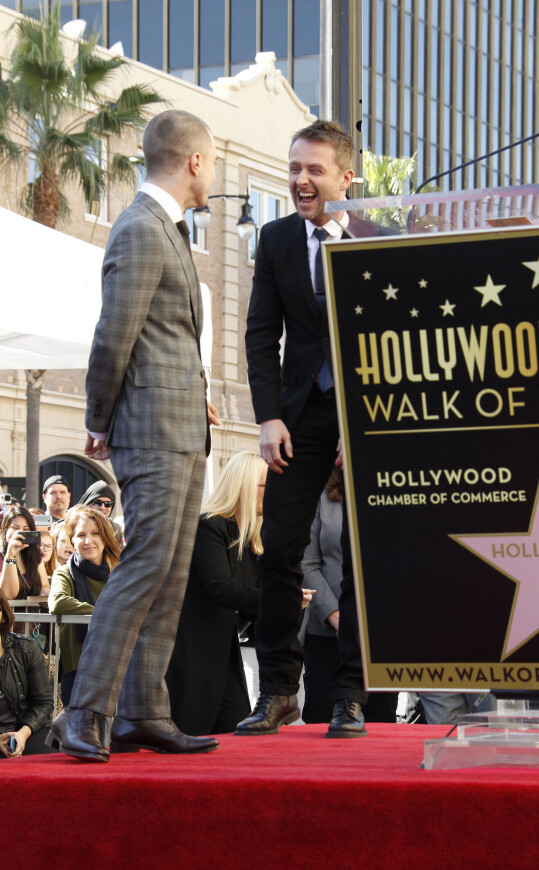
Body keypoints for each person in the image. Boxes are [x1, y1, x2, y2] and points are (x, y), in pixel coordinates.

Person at [47, 109, 221, 762]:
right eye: (213, 163)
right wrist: (99, 418)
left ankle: (144, 713)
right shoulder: (142, 229)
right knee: (145, 566)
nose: (214, 174)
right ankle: (84, 712)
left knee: (169, 576)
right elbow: (112, 335)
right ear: (195, 161)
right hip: (150, 431)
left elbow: (161, 337)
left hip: (177, 428)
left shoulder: (163, 228)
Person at [239, 120, 394, 739]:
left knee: (360, 554)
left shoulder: (378, 235)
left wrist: (365, 417)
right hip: (298, 415)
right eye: (294, 168)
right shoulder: (275, 240)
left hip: (366, 416)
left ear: (345, 177)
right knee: (279, 548)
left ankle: (350, 695)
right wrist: (268, 415)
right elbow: (260, 334)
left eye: (315, 170)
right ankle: (278, 691)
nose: (301, 181)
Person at [168, 452, 283, 734]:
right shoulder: (210, 524)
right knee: (194, 728)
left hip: (221, 648)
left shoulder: (250, 537)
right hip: (192, 647)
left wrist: (287, 598)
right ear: (245, 486)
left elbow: (252, 595)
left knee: (233, 730)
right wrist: (279, 600)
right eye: (266, 486)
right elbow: (221, 587)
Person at [300, 469, 398, 724]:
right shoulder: (318, 496)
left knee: (380, 724)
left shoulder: (392, 492)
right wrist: (335, 616)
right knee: (320, 722)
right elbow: (306, 563)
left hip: (379, 635)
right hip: (325, 634)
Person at [48, 507, 120, 706]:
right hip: (79, 671)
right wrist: (104, 613)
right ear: (72, 541)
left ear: (105, 537)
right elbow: (57, 602)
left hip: (118, 666)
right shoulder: (64, 573)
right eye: (81, 535)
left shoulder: (120, 573)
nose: (88, 541)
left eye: (95, 533)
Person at [0, 589, 54, 757]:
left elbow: (44, 703)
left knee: (52, 763)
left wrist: (22, 734)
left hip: (26, 729)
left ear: (3, 615)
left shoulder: (25, 648)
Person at [0, 507, 47, 600]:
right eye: (15, 528)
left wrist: (46, 594)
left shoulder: (35, 553)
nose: (20, 532)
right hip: (7, 613)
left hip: (32, 613)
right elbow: (8, 594)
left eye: (26, 529)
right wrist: (10, 555)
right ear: (5, 530)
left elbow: (44, 586)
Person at [77, 480, 124, 546]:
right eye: (97, 502)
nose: (102, 507)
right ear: (87, 503)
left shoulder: (116, 529)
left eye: (108, 504)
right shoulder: (74, 524)